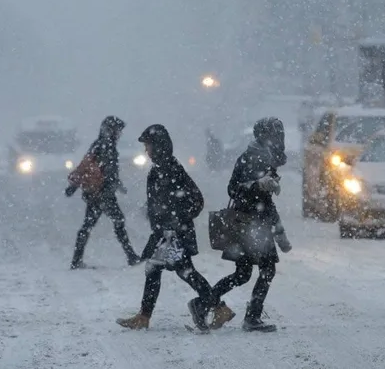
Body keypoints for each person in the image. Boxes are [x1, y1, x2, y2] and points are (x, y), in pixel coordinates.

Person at [117, 124, 216, 332]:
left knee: (180, 271)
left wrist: (177, 221)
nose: (146, 150)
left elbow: (196, 199)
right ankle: (144, 316)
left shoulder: (170, 168)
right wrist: (152, 210)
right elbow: (166, 199)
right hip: (165, 231)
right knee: (164, 270)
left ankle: (217, 306)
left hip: (172, 233)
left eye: (148, 145)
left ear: (158, 145)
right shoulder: (161, 167)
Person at [201, 117, 288, 332]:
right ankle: (252, 317)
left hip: (251, 224)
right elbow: (235, 190)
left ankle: (203, 303)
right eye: (276, 134)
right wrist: (257, 186)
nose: (279, 139)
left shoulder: (263, 157)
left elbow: (260, 198)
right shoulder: (252, 158)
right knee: (265, 271)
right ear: (264, 136)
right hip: (251, 226)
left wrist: (278, 230)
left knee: (243, 274)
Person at [66, 116, 139, 269]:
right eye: (117, 131)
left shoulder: (98, 145)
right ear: (110, 131)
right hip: (103, 194)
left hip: (94, 192)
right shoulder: (106, 147)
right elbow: (106, 171)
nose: (119, 134)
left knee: (88, 225)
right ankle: (131, 256)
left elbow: (86, 167)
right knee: (118, 221)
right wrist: (112, 185)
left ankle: (76, 260)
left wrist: (74, 186)